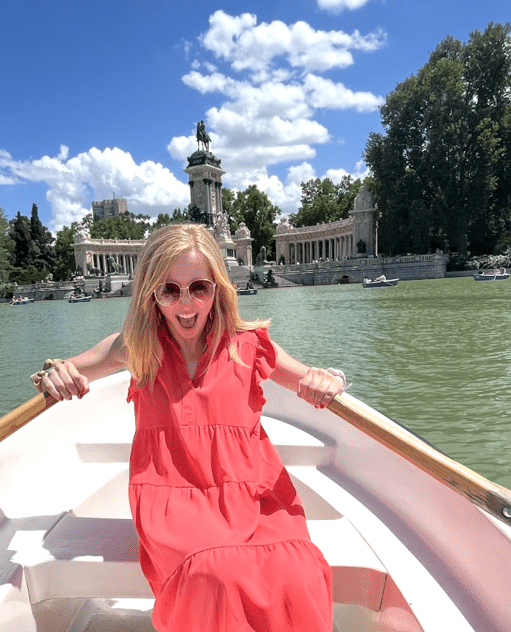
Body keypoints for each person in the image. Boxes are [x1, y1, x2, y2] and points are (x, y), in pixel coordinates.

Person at [32, 224, 344, 632]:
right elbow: (62, 369)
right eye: (169, 290)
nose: (185, 304)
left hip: (253, 490)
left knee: (298, 570)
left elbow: (311, 379)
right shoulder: (136, 347)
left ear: (218, 289)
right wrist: (55, 374)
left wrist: (329, 380)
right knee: (215, 574)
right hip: (171, 495)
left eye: (199, 287)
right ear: (151, 293)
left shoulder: (248, 344)